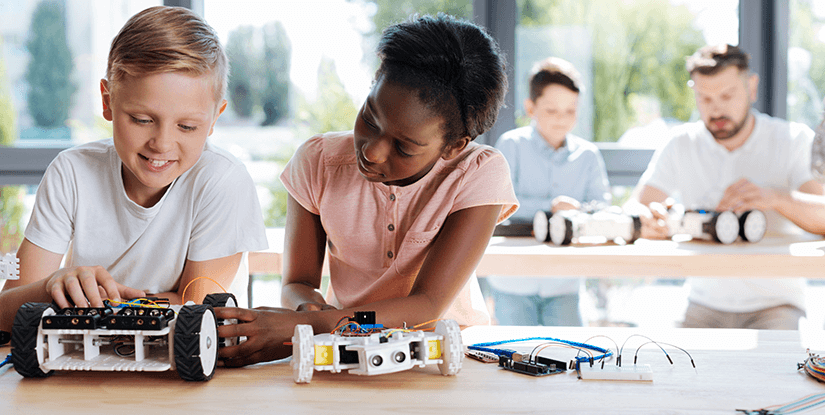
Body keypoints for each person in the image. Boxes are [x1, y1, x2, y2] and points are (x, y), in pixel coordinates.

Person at [215, 14, 517, 366]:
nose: (371, 151)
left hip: (443, 359)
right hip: (345, 354)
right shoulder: (317, 161)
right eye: (370, 119)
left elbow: (427, 308)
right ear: (374, 82)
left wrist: (307, 325)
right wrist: (305, 308)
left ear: (454, 146)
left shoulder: (477, 173)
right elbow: (296, 282)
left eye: (404, 147)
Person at [0, 6, 268, 333]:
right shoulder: (71, 172)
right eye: (142, 120)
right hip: (84, 366)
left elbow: (197, 311)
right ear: (107, 100)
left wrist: (75, 304)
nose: (162, 144)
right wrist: (51, 286)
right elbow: (6, 311)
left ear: (214, 119)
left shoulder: (222, 181)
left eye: (186, 127)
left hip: (189, 371)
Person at [633, 44, 825, 329]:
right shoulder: (681, 144)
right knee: (668, 364)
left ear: (752, 87)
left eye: (727, 95)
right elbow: (637, 207)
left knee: (777, 371)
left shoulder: (792, 139)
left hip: (776, 305)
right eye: (704, 98)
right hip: (702, 304)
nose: (716, 108)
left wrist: (775, 198)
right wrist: (650, 219)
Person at [485, 57, 610, 326]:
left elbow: (602, 207)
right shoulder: (511, 145)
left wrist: (578, 211)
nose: (562, 119)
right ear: (531, 107)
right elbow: (499, 204)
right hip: (513, 279)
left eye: (570, 111)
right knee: (516, 356)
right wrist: (550, 208)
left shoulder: (588, 156)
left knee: (570, 353)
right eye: (552, 110)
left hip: (564, 280)